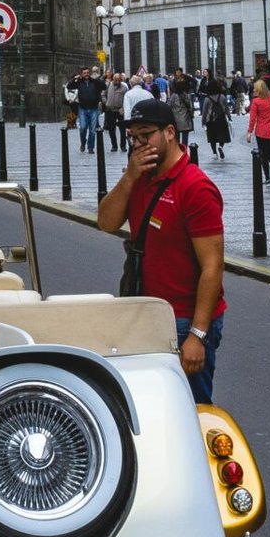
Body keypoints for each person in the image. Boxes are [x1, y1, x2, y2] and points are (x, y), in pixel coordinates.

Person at [97, 98, 226, 404]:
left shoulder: (195, 187)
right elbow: (106, 221)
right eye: (134, 138)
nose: (139, 144)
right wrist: (129, 177)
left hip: (183, 321)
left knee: (190, 410)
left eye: (146, 135)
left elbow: (213, 266)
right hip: (146, 313)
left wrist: (198, 335)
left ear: (170, 132)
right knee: (151, 408)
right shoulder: (140, 176)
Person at [247, 75, 270, 184]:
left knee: (263, 155)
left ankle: (267, 178)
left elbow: (252, 119)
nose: (253, 90)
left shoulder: (256, 102)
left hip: (262, 132)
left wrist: (249, 132)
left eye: (255, 89)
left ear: (259, 90)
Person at [75, 65, 103, 151]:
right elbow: (69, 86)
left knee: (92, 130)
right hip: (82, 108)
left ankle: (90, 147)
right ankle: (83, 142)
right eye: (84, 73)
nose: (86, 74)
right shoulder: (79, 82)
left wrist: (97, 80)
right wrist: (75, 79)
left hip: (93, 108)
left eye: (87, 72)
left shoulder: (94, 82)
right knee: (83, 128)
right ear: (81, 74)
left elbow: (104, 86)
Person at [168, 71, 196, 150]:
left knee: (176, 135)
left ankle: (177, 149)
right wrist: (191, 114)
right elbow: (191, 107)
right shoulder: (186, 95)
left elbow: (168, 105)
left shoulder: (173, 96)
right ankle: (184, 149)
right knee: (185, 136)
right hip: (185, 118)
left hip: (175, 119)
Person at [202, 84, 231, 161]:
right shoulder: (222, 97)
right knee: (223, 135)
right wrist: (229, 117)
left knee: (212, 138)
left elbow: (204, 111)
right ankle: (220, 147)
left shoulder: (207, 99)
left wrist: (203, 122)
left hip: (211, 120)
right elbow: (227, 108)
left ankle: (214, 153)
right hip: (221, 119)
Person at [103, 69, 126, 151]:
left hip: (120, 111)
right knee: (111, 129)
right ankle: (114, 146)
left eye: (118, 80)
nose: (117, 81)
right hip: (110, 110)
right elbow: (103, 94)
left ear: (121, 80)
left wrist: (123, 107)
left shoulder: (124, 88)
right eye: (115, 79)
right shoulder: (109, 85)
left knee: (122, 129)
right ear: (113, 79)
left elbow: (126, 99)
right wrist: (106, 102)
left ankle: (123, 146)